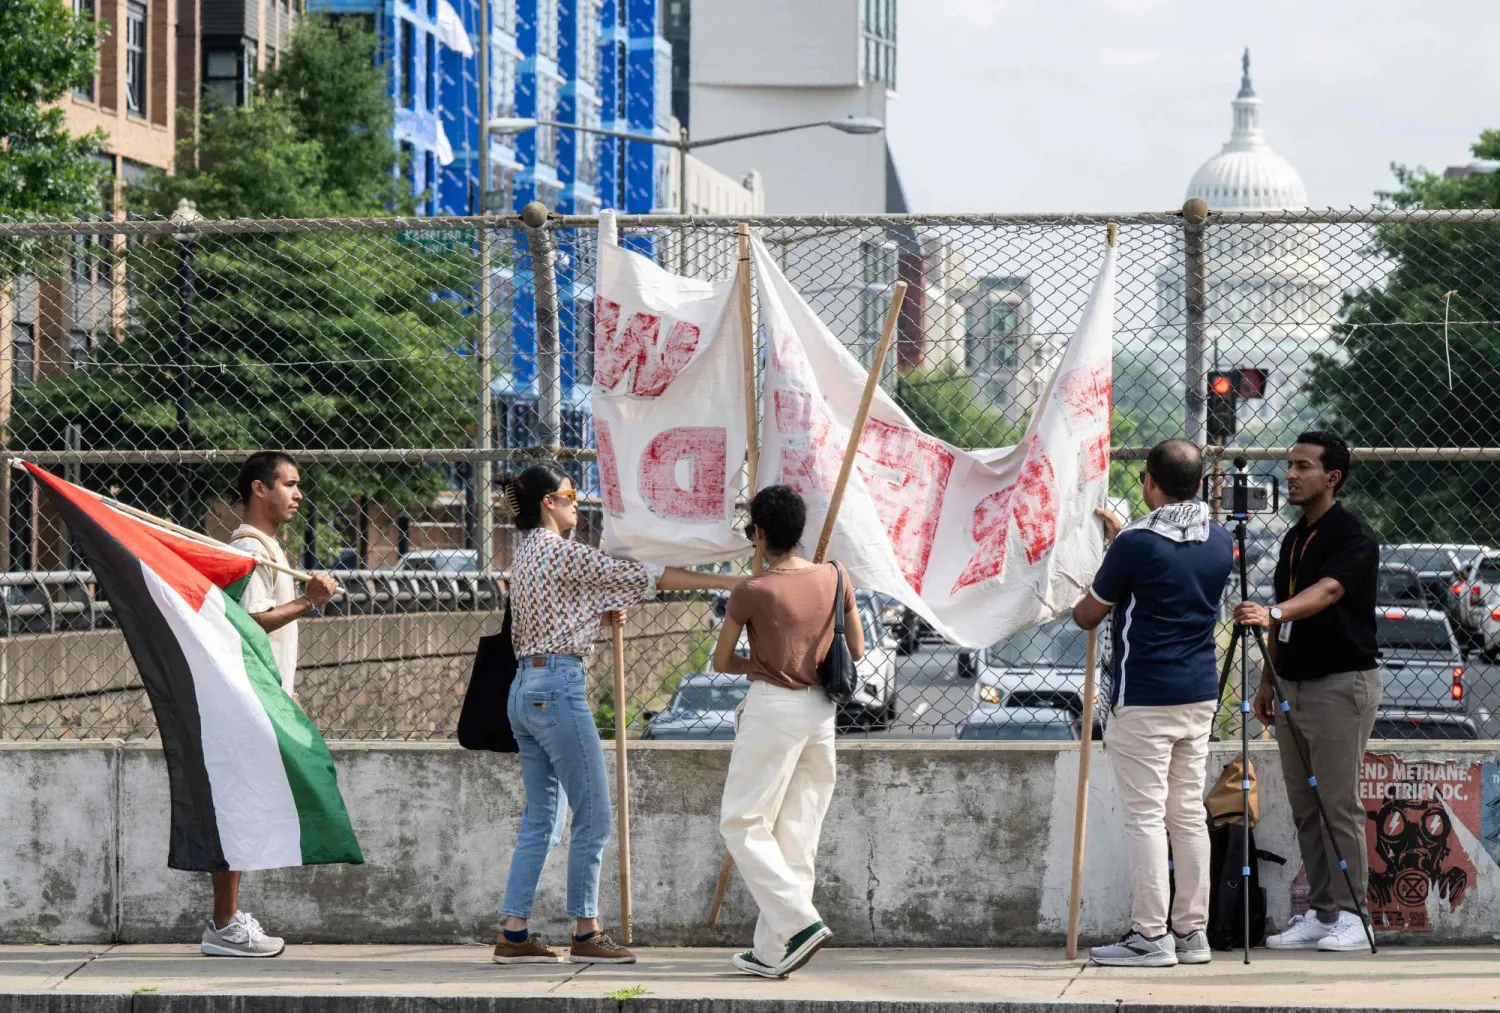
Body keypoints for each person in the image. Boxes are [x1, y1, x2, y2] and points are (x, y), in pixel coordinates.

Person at [493, 463, 743, 966]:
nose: (576, 502)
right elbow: (653, 576)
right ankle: (586, 929)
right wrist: (732, 581)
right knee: (594, 815)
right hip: (558, 687)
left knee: (542, 818)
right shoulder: (564, 552)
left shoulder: (526, 555)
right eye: (569, 493)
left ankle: (514, 933)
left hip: (524, 688)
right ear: (548, 502)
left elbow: (554, 610)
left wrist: (597, 613)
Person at [1073, 439, 1233, 968]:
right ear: (1201, 485)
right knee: (1186, 814)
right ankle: (1191, 933)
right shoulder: (1218, 538)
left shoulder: (1136, 543)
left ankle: (1150, 935)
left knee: (1145, 817)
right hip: (1198, 694)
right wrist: (1123, 544)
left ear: (1148, 481)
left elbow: (1089, 614)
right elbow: (1169, 565)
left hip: (1143, 695)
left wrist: (1111, 554)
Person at [1234, 431, 1379, 953]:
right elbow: (1284, 613)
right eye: (1289, 464)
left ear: (1331, 477)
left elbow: (1328, 591)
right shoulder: (1295, 537)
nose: (1291, 474)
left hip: (1340, 685)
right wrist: (1268, 681)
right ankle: (1322, 912)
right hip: (1291, 684)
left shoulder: (1352, 535)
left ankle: (1356, 919)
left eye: (1303, 466)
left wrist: (1272, 612)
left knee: (1338, 805)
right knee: (1305, 806)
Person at [712, 485, 865, 979]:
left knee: (742, 821)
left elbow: (722, 661)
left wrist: (761, 662)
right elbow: (856, 650)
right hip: (822, 710)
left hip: (773, 707)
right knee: (798, 829)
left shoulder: (752, 590)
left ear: (757, 532)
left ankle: (800, 922)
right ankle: (774, 950)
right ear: (801, 530)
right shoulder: (836, 576)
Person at [202, 451, 338, 958]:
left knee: (247, 807)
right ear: (260, 489)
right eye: (289, 484)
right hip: (248, 700)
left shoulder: (267, 547)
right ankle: (223, 924)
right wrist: (309, 601)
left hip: (262, 696)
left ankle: (227, 920)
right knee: (239, 807)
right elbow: (248, 622)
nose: (298, 494)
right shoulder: (248, 549)